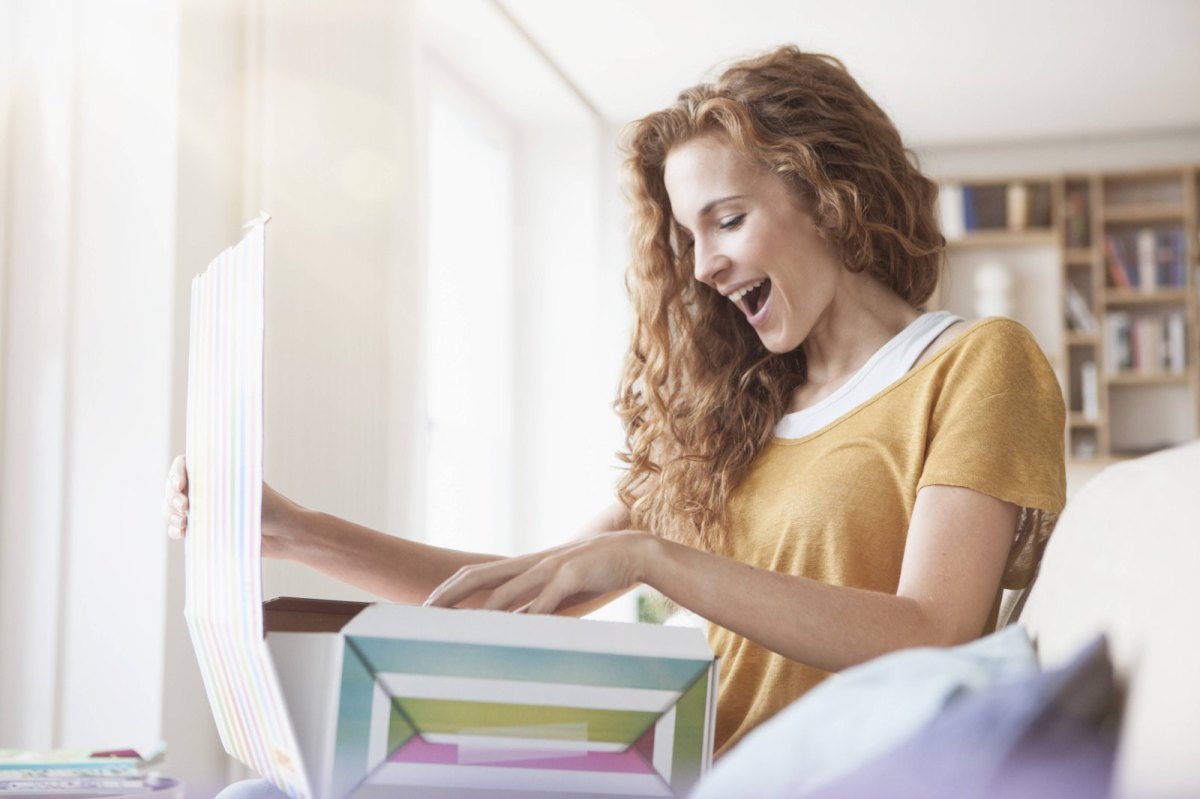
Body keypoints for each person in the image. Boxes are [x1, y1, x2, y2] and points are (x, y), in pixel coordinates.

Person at [164, 44, 1065, 785]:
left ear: (829, 194)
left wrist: (650, 556)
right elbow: (529, 596)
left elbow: (932, 631)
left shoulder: (975, 365)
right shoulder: (740, 414)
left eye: (729, 219)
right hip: (664, 768)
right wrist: (290, 529)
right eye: (689, 236)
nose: (706, 265)